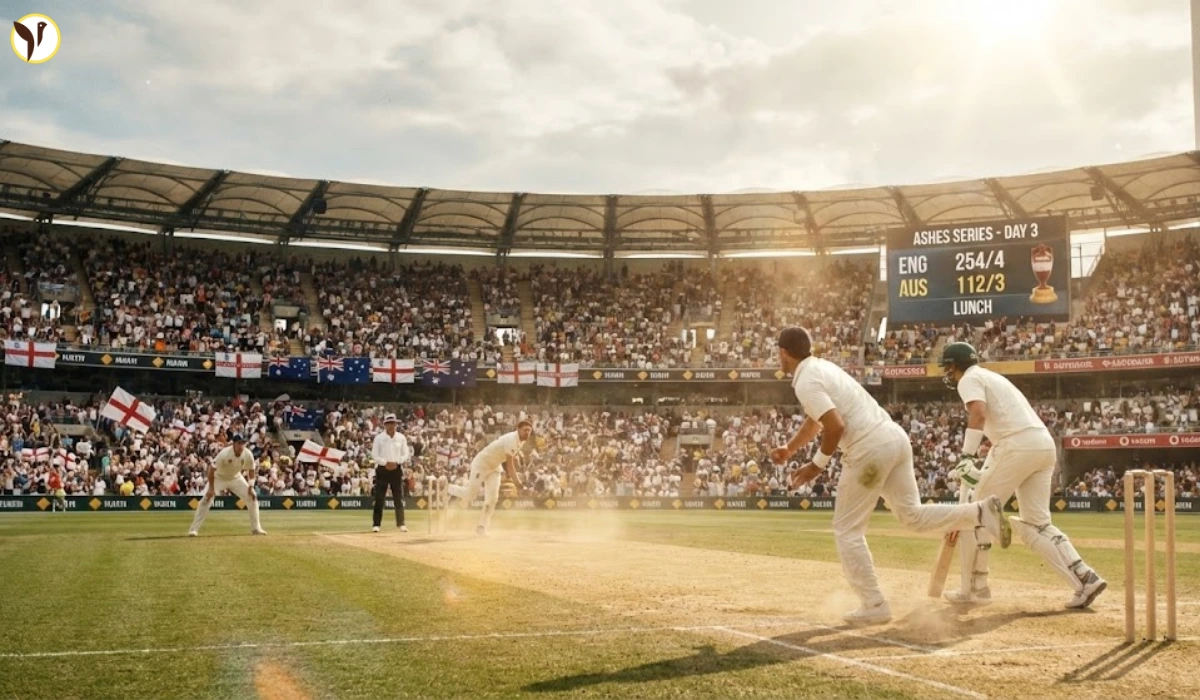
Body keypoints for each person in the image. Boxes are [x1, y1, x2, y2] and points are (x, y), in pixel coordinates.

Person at [771, 327, 1010, 625]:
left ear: (783, 352)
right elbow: (816, 420)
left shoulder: (806, 380)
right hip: (894, 441)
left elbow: (834, 426)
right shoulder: (822, 368)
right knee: (911, 515)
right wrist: (791, 448)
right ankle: (980, 512)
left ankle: (874, 604)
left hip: (870, 453)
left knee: (847, 529)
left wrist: (815, 466)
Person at [939, 341, 1105, 608]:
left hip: (1015, 445)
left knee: (974, 512)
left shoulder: (968, 379)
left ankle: (975, 588)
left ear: (954, 365)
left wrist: (967, 457)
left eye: (948, 367)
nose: (947, 373)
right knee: (1036, 525)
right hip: (1042, 445)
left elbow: (978, 414)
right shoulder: (992, 377)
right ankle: (1085, 578)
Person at [448, 419, 532, 536]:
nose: (527, 433)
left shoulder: (521, 440)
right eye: (525, 430)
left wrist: (517, 457)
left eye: (529, 430)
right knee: (471, 495)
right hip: (481, 464)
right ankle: (448, 488)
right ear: (518, 430)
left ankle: (482, 526)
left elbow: (509, 455)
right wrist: (519, 485)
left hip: (494, 467)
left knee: (492, 499)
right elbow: (509, 465)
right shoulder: (512, 439)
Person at [188, 433, 266, 537]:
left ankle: (256, 528)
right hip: (218, 478)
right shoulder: (224, 454)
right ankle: (193, 529)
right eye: (239, 443)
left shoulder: (248, 454)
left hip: (236, 478)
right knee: (207, 499)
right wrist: (211, 489)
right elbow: (211, 471)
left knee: (253, 497)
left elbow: (251, 472)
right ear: (233, 444)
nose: (241, 446)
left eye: (243, 443)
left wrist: (251, 487)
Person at [371, 413, 411, 533]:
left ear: (396, 424)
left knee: (398, 498)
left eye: (393, 423)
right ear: (385, 425)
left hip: (396, 469)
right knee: (379, 498)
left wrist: (397, 462)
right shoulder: (379, 438)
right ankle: (376, 524)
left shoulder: (401, 437)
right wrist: (385, 463)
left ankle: (401, 523)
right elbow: (374, 454)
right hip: (383, 469)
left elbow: (406, 453)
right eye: (389, 423)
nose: (391, 426)